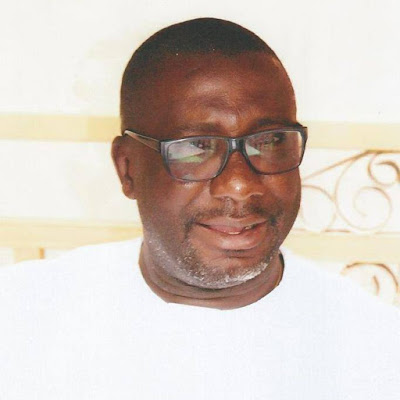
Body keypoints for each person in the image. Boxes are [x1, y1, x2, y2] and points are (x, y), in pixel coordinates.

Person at [1, 18, 399, 399]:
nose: (240, 186)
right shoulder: (23, 319)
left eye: (270, 141)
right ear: (128, 168)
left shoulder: (374, 353)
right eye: (196, 147)